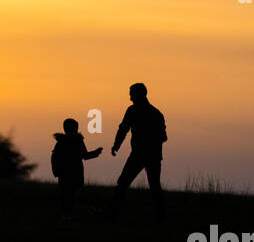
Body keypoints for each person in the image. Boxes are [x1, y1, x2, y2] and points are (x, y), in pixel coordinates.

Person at [104, 82, 167, 222]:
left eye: (132, 95)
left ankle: (110, 215)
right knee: (153, 186)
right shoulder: (156, 113)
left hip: (140, 155)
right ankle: (161, 218)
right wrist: (116, 145)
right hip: (152, 155)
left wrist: (117, 145)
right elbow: (163, 137)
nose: (130, 98)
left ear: (139, 95)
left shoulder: (133, 111)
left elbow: (123, 128)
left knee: (124, 183)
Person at [51, 118, 102, 224]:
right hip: (74, 172)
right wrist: (96, 153)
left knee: (66, 194)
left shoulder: (60, 142)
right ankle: (69, 215)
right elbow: (85, 156)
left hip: (64, 173)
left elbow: (54, 157)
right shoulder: (78, 141)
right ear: (75, 128)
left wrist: (56, 171)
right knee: (71, 194)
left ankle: (66, 215)